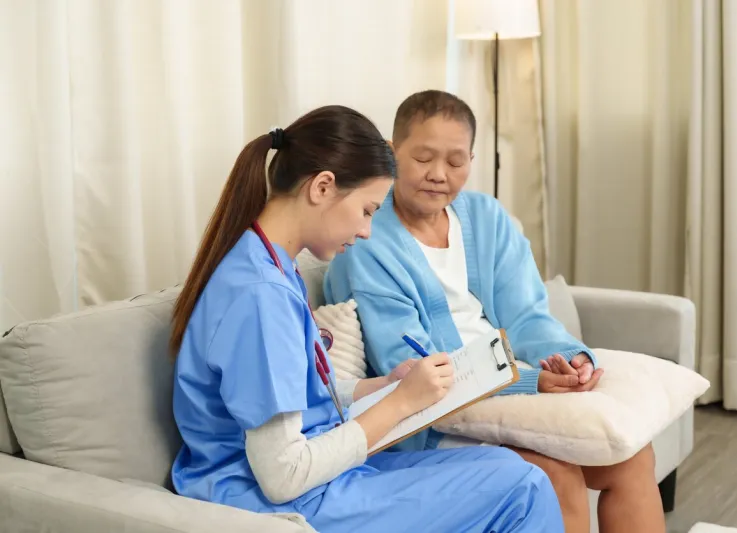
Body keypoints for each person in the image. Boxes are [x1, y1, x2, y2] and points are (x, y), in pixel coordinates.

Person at [168, 105, 564, 533]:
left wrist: (384, 386)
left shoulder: (271, 266)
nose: (367, 231)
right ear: (322, 187)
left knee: (507, 467)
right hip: (272, 497)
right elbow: (284, 474)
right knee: (522, 486)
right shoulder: (260, 296)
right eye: (368, 210)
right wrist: (400, 403)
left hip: (317, 477)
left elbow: (295, 395)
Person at [324, 91, 666, 533]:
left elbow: (527, 316)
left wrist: (568, 359)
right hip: (436, 417)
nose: (438, 175)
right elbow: (409, 365)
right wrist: (527, 381)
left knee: (632, 455)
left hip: (515, 386)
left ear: (472, 159)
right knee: (554, 475)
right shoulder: (366, 240)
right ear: (393, 152)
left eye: (455, 161)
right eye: (423, 158)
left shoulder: (487, 218)